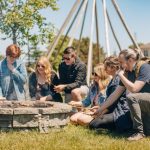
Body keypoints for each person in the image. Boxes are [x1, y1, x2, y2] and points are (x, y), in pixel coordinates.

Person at [91, 49, 150, 141]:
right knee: (95, 124)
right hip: (142, 103)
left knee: (131, 97)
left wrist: (121, 76)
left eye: (121, 62)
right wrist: (100, 109)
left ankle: (139, 132)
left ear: (130, 60)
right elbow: (115, 94)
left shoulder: (144, 67)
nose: (120, 65)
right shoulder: (128, 72)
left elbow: (134, 89)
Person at [89, 56, 132, 132]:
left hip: (119, 111)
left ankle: (112, 128)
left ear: (113, 67)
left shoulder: (118, 79)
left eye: (106, 67)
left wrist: (101, 111)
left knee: (94, 124)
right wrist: (100, 108)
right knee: (93, 123)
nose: (104, 69)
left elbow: (113, 102)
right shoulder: (113, 79)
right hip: (114, 110)